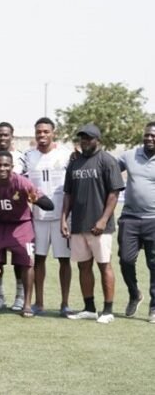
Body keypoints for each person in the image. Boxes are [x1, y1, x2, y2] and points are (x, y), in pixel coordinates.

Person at [0, 151, 54, 318]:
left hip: (21, 225)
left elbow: (50, 205)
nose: (2, 168)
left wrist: (36, 199)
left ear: (12, 167)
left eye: (5, 165)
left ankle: (26, 303)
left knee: (27, 262)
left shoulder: (22, 182)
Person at [61, 124, 125, 324]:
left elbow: (114, 193)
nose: (85, 141)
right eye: (82, 138)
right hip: (78, 224)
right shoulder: (74, 163)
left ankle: (108, 310)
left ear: (97, 139)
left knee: (104, 265)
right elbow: (68, 194)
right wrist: (64, 218)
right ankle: (89, 308)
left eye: (88, 138)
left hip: (100, 226)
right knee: (83, 266)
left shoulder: (107, 161)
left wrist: (104, 219)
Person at [22, 117, 73, 316]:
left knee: (64, 260)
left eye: (45, 132)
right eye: (38, 132)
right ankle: (39, 303)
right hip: (38, 217)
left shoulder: (66, 155)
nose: (42, 135)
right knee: (38, 260)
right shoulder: (29, 156)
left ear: (54, 133)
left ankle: (65, 304)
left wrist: (66, 217)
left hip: (61, 216)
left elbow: (71, 189)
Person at [117, 122, 155, 323]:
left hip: (153, 220)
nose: (149, 138)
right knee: (125, 260)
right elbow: (108, 168)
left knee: (154, 264)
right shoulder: (130, 156)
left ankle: (154, 306)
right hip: (129, 219)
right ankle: (134, 294)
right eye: (147, 135)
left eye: (153, 136)